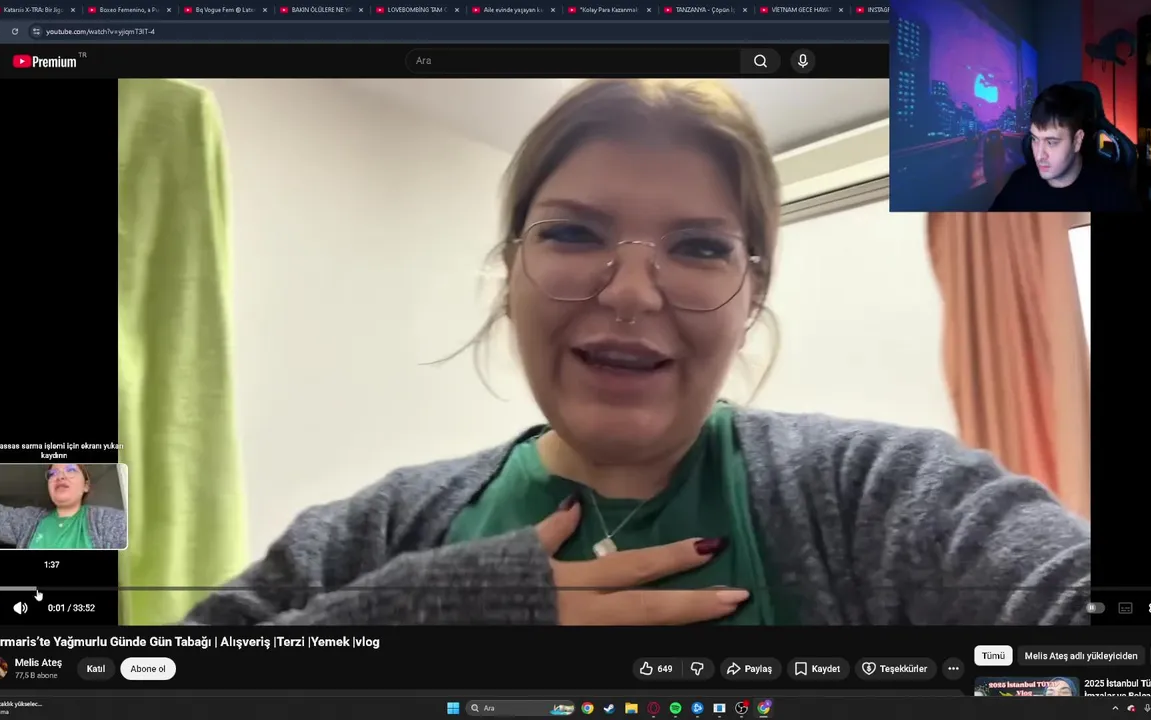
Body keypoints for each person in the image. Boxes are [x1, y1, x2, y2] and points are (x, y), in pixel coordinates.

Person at [184, 79, 1091, 627]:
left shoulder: (879, 495)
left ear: (752, 298)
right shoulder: (372, 535)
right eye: (573, 232)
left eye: (698, 247)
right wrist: (415, 619)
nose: (629, 294)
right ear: (511, 270)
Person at [990, 84, 1139, 212]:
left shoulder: (1110, 192)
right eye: (1035, 139)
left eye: (1051, 142)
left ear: (1077, 140)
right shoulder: (1019, 185)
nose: (1039, 155)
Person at [0, 463, 127, 550]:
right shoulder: (29, 521)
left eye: (71, 470)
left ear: (86, 485)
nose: (60, 476)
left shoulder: (105, 521)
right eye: (53, 473)